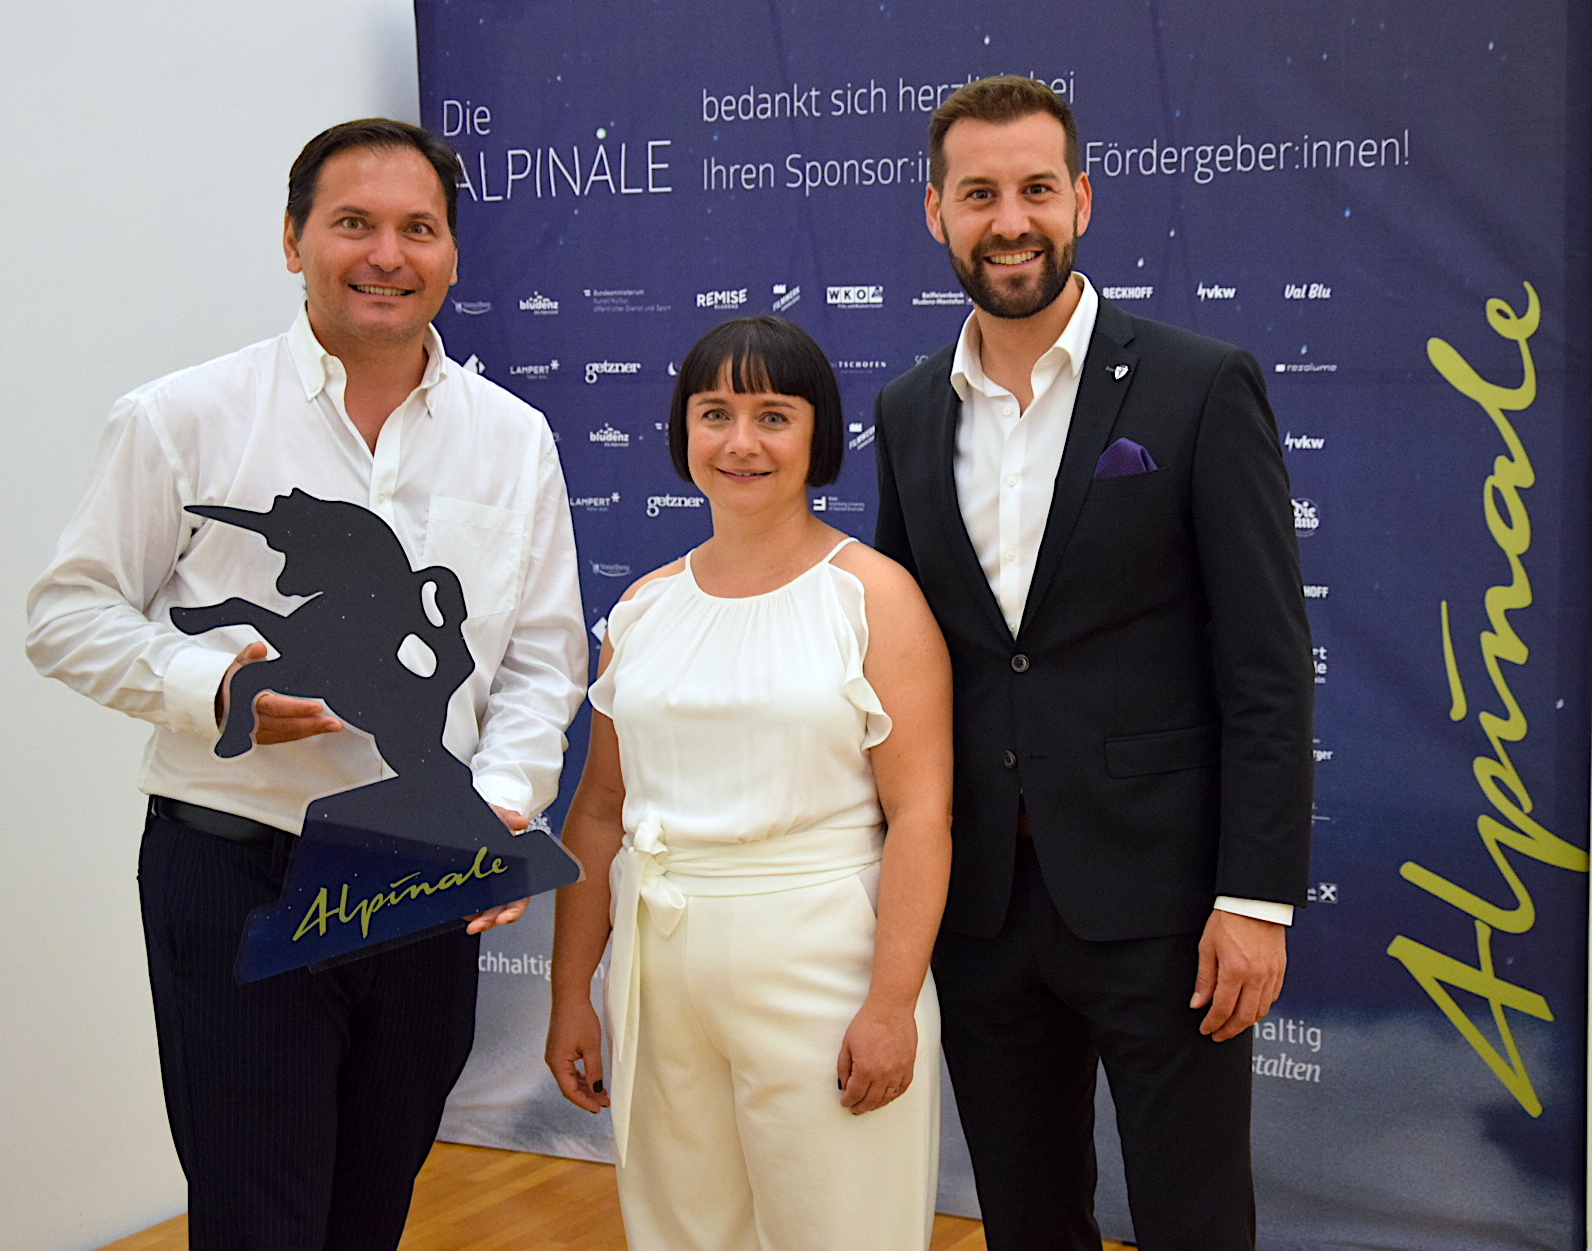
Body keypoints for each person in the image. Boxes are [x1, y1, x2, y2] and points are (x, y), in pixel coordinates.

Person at [25, 119, 586, 1251]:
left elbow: (541, 656)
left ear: (452, 254)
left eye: (417, 228)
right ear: (293, 241)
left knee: (371, 1213)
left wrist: (502, 799)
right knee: (259, 1222)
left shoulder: (513, 439)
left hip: (423, 877)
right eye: (352, 224)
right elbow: (64, 613)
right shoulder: (182, 417)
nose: (387, 254)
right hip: (238, 871)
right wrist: (206, 686)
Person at [872, 78, 1314, 1250]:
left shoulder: (1198, 384)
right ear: (935, 212)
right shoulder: (906, 412)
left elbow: (1266, 665)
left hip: (1166, 906)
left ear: (1080, 199)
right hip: (981, 907)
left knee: (1191, 1220)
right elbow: (902, 668)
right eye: (978, 194)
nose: (1008, 221)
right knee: (1024, 1220)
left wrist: (1252, 900)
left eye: (1034, 189)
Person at [546, 316, 953, 1251]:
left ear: (819, 435)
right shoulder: (643, 608)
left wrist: (891, 1003)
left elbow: (922, 814)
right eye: (715, 413)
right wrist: (571, 991)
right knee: (682, 1231)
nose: (740, 442)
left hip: (825, 963)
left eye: (773, 415)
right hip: (659, 966)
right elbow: (599, 809)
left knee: (842, 1233)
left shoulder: (872, 596)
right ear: (683, 430)